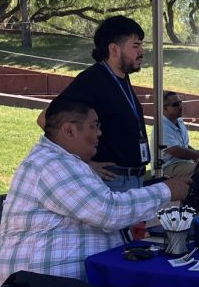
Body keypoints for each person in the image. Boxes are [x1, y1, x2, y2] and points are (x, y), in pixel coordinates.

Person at [0, 96, 190, 285]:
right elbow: (107, 211)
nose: (99, 134)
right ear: (69, 131)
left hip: (63, 284)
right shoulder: (51, 165)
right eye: (94, 126)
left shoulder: (67, 162)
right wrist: (165, 190)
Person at [44, 16, 150, 191]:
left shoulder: (122, 78)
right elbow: (47, 120)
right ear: (114, 49)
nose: (142, 51)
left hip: (134, 179)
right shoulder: (92, 79)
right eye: (135, 46)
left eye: (141, 45)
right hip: (112, 182)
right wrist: (86, 163)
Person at [160, 91, 199, 179]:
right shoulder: (161, 126)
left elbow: (185, 146)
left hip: (183, 163)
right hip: (168, 167)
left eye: (180, 102)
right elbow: (177, 152)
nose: (180, 106)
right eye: (176, 104)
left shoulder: (179, 121)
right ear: (165, 108)